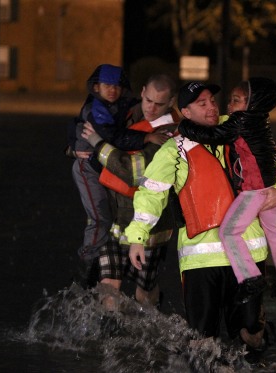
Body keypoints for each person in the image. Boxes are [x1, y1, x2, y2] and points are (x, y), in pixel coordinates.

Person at [125, 82, 276, 351]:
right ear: (185, 111)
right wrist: (138, 237)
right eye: (202, 104)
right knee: (202, 339)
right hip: (200, 260)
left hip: (248, 255)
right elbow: (151, 194)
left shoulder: (242, 130)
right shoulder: (174, 149)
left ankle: (257, 344)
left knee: (250, 334)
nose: (212, 107)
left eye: (213, 101)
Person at [178, 77, 276, 305]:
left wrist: (184, 127)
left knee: (228, 232)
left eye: (236, 100)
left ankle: (251, 279)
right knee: (273, 232)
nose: (229, 105)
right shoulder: (260, 121)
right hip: (268, 189)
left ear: (251, 104)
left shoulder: (240, 121)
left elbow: (213, 136)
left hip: (253, 191)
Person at [81, 74, 180, 308]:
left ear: (171, 102)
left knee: (144, 293)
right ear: (143, 91)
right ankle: (108, 335)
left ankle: (150, 315)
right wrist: (75, 149)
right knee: (109, 283)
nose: (151, 109)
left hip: (148, 227)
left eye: (159, 104)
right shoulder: (125, 112)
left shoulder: (170, 134)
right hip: (114, 219)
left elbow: (132, 172)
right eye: (148, 100)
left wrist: (98, 144)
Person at [67, 64, 162, 287]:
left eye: (118, 86)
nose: (113, 90)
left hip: (102, 168)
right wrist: (145, 139)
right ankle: (84, 273)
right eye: (107, 85)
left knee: (104, 220)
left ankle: (92, 274)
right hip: (88, 168)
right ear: (96, 87)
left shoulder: (122, 105)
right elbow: (113, 136)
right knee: (100, 220)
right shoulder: (96, 108)